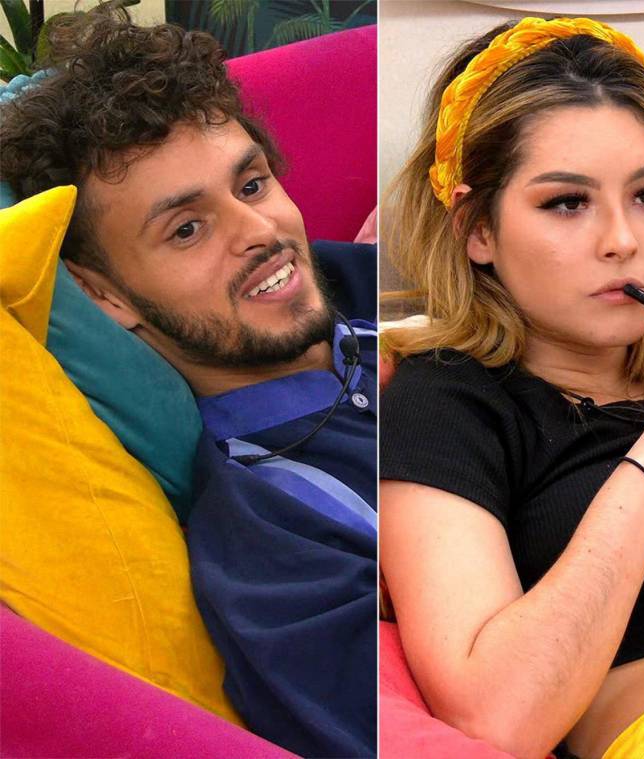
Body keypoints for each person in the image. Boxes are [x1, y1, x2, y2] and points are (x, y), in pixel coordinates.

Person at [378, 17, 644, 759]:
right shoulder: (441, 402)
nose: (624, 240)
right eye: (566, 203)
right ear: (476, 229)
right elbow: (496, 716)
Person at [0, 12, 377, 758]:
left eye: (252, 183)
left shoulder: (371, 283)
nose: (260, 229)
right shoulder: (272, 547)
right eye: (186, 229)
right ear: (102, 295)